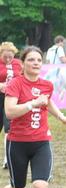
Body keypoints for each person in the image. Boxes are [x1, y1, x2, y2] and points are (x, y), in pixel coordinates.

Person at [0, 46, 66, 188]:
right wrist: (32, 104)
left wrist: (61, 117)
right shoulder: (16, 84)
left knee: (40, 186)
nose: (35, 63)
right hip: (17, 143)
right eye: (31, 60)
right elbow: (9, 112)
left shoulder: (46, 85)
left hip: (42, 141)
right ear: (23, 63)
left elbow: (48, 102)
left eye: (39, 60)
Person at [1, 42, 22, 170]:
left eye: (11, 57)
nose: (8, 59)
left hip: (11, 99)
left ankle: (7, 159)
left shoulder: (18, 64)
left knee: (9, 129)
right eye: (5, 57)